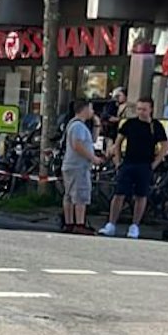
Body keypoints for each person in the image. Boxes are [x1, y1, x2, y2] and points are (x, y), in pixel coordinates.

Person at [99, 97, 167, 238]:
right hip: (128, 162)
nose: (141, 112)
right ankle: (111, 224)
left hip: (145, 164)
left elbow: (164, 146)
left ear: (151, 110)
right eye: (139, 109)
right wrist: (118, 161)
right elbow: (118, 142)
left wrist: (155, 163)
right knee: (119, 194)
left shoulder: (156, 126)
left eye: (144, 109)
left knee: (141, 195)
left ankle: (135, 225)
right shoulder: (129, 124)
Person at [61, 99, 98, 234]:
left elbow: (93, 140)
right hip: (78, 165)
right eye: (91, 109)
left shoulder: (74, 124)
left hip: (71, 164)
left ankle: (69, 222)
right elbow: (77, 145)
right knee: (80, 194)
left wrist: (97, 124)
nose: (93, 112)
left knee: (69, 195)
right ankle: (79, 223)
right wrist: (92, 158)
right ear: (85, 109)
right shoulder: (78, 126)